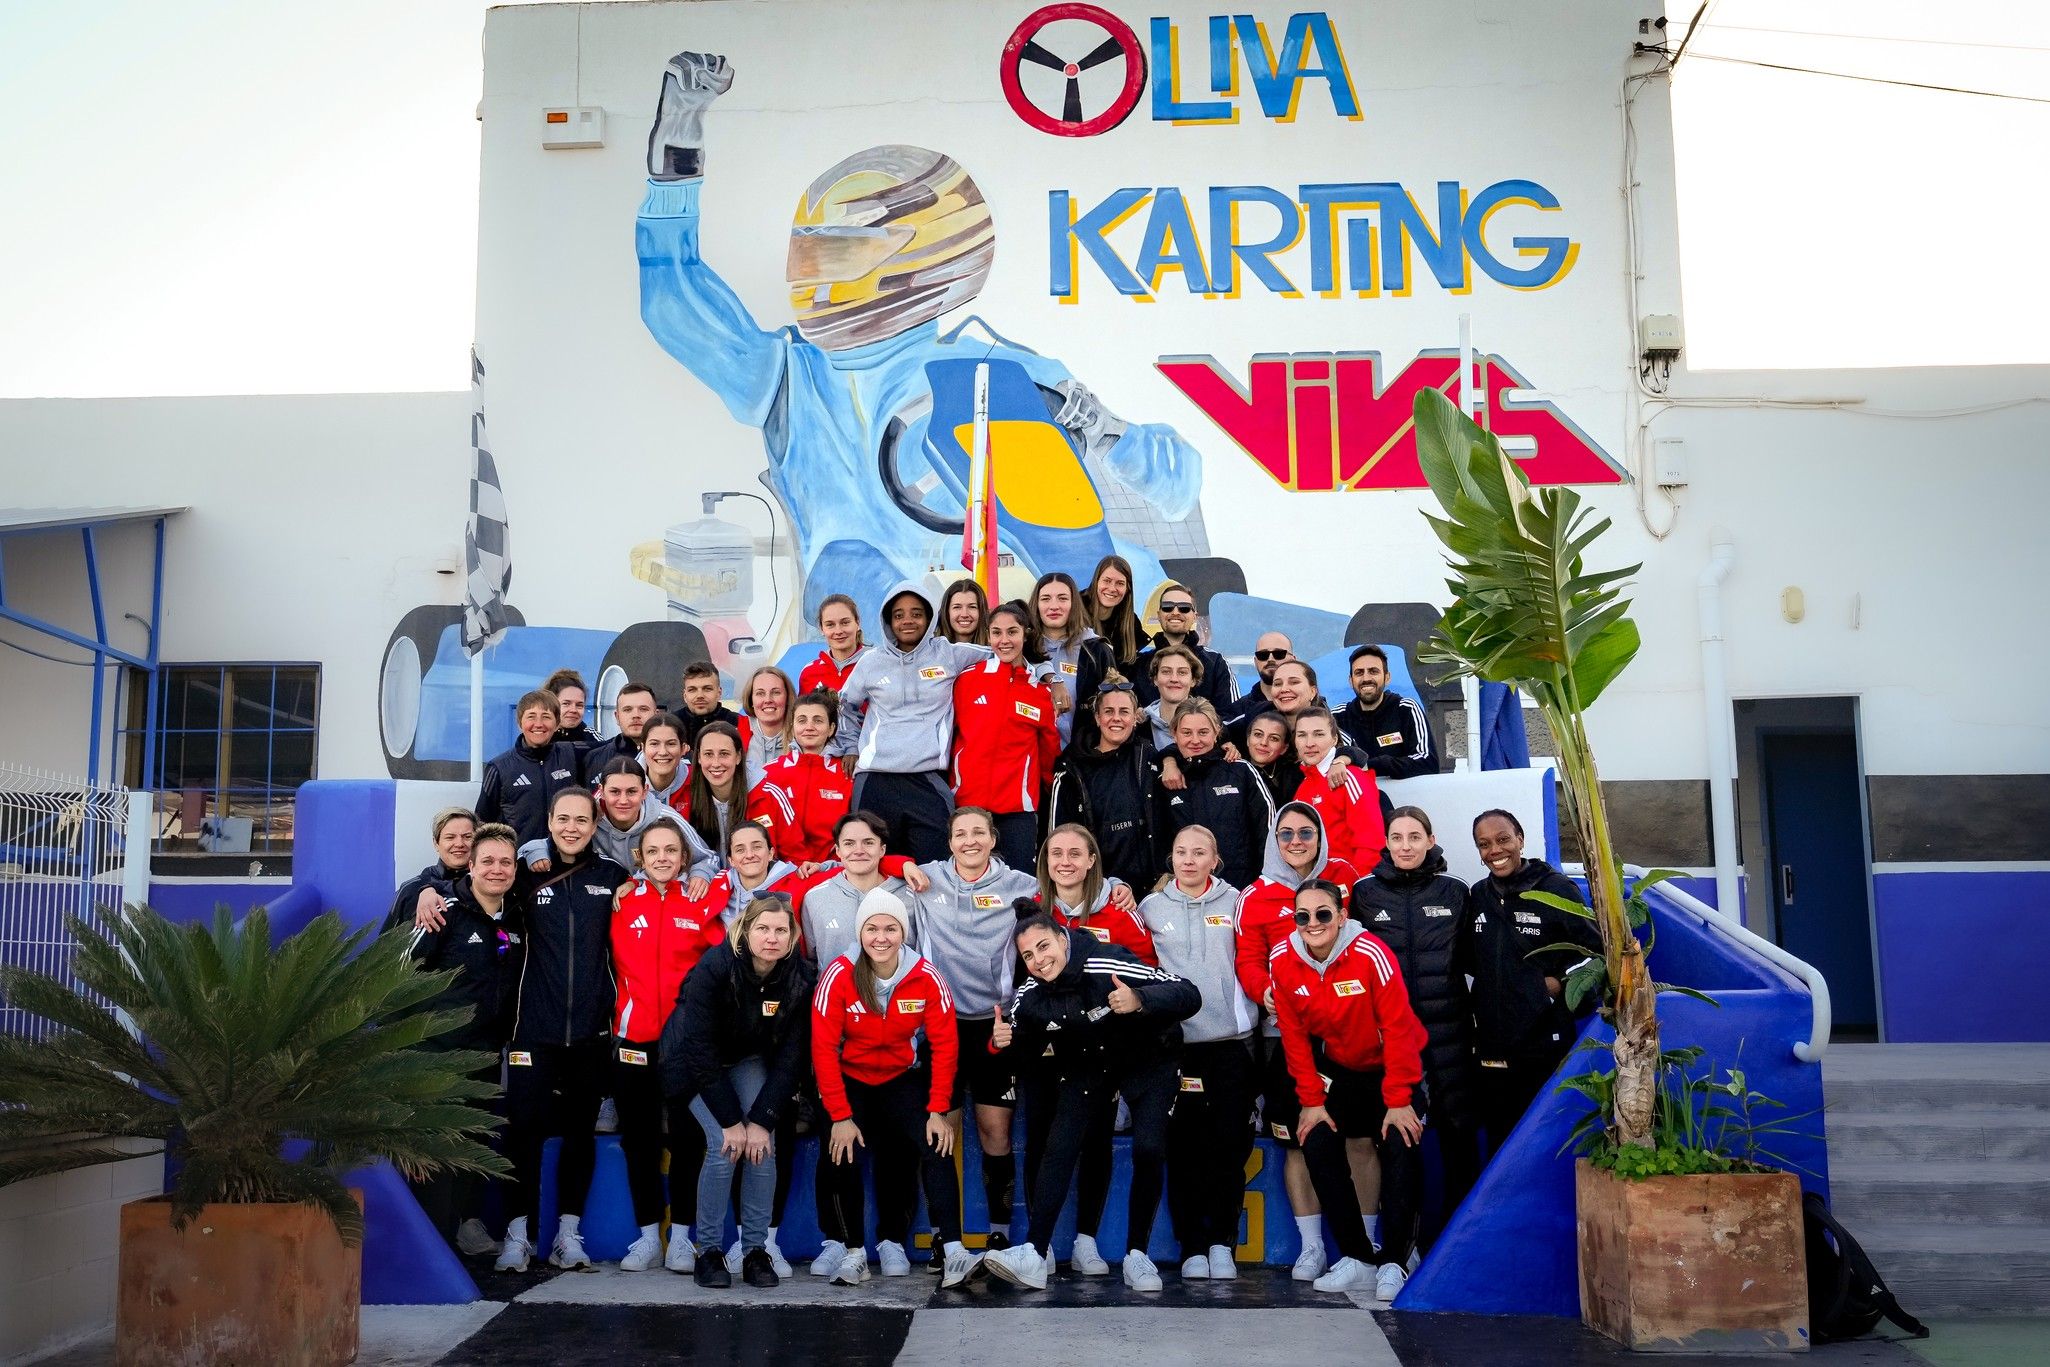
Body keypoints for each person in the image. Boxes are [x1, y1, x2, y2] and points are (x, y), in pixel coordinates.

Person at [982, 914, 1199, 1293]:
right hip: (1092, 1062)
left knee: (1149, 1147)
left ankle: (1137, 1255)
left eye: (1044, 946)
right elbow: (1017, 1039)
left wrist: (1139, 999)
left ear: (1063, 940)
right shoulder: (1030, 993)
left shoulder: (1106, 961)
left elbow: (1188, 993)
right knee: (1059, 1143)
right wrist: (1001, 1041)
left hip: (1152, 1060)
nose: (1039, 960)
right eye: (1028, 955)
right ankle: (1034, 1253)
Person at [481, 787, 634, 1273]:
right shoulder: (523, 878)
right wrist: (424, 888)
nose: (572, 827)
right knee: (522, 1133)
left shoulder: (614, 879)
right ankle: (517, 1235)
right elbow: (472, 883)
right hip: (533, 1032)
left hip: (591, 1035)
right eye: (562, 818)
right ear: (549, 821)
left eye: (582, 820)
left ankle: (569, 1235)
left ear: (596, 824)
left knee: (578, 1136)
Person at [1270, 878, 1427, 1299]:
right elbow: (1293, 1036)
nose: (1313, 923)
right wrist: (1311, 1102)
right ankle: (1357, 1257)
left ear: (1342, 916)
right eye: (1303, 916)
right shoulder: (1283, 958)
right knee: (1315, 1140)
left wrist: (1398, 1101)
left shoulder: (1369, 953)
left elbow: (1397, 1028)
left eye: (1323, 913)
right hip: (1340, 1069)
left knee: (1400, 1140)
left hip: (1393, 1065)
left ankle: (1394, 1260)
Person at [810, 888, 975, 1287]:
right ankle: (852, 1253)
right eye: (871, 929)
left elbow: (945, 1044)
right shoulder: (839, 974)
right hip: (851, 1079)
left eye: (890, 928)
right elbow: (824, 1048)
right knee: (841, 1148)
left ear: (903, 932)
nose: (880, 938)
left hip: (901, 1076)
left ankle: (953, 1251)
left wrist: (938, 1110)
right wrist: (840, 1116)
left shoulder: (925, 976)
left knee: (936, 1142)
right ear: (859, 932)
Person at [1233, 802, 1362, 1282]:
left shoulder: (1347, 877)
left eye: (1306, 832)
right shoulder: (1256, 895)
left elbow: (1366, 940)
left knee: (1354, 1137)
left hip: (1343, 1033)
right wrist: (1261, 990)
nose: (1295, 842)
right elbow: (1246, 956)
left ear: (1320, 834)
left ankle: (1364, 1243)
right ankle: (1312, 1248)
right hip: (1281, 1035)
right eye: (1285, 833)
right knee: (1296, 1140)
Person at [659, 893, 815, 1288]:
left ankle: (754, 1251)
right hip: (693, 1063)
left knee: (763, 1143)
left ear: (793, 935)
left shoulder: (798, 974)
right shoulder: (715, 965)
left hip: (746, 1058)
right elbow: (698, 1049)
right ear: (745, 931)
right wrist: (731, 1121)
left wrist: (761, 1120)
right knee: (723, 1145)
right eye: (763, 928)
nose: (772, 938)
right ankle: (709, 1252)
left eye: (781, 930)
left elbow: (792, 1057)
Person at [1022, 823, 1154, 1278]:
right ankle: (1037, 1248)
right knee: (1041, 1140)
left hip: (1099, 1049)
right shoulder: (1032, 908)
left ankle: (1086, 1240)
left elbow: (1145, 971)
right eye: (1056, 853)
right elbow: (1020, 973)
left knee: (1095, 1141)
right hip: (1044, 1047)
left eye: (1076, 853)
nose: (1065, 861)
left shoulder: (1118, 909)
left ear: (1093, 859)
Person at [904, 806, 1039, 1247]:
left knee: (994, 1132)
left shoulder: (1021, 886)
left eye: (978, 832)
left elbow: (1073, 891)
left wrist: (1117, 888)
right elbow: (872, 865)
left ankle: (998, 1235)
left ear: (993, 838)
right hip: (939, 1027)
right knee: (942, 1132)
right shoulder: (927, 879)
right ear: (949, 842)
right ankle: (948, 1240)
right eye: (960, 834)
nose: (970, 841)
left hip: (994, 1026)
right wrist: (898, 863)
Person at [830, 581, 1028, 863]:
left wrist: (1047, 674)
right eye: (898, 615)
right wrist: (850, 746)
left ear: (930, 617)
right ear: (888, 621)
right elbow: (844, 704)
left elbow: (1004, 651)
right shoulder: (871, 662)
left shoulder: (948, 653)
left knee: (936, 870)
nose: (907, 620)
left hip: (927, 780)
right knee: (875, 868)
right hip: (875, 779)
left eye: (916, 613)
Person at [1353, 806, 1481, 1240]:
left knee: (1458, 1140)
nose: (1405, 846)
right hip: (1391, 1043)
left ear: (1430, 840)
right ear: (1386, 843)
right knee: (1395, 1143)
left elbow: (1475, 960)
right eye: (1396, 837)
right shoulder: (1364, 893)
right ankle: (1398, 1246)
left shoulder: (1455, 891)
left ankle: (1455, 1241)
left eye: (1414, 837)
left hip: (1449, 1037)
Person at [608, 816, 726, 1274]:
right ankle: (646, 1238)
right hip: (632, 1038)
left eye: (671, 851)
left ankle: (681, 1239)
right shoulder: (620, 902)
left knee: (687, 1138)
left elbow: (716, 969)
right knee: (638, 1140)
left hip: (685, 1043)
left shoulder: (700, 901)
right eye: (653, 851)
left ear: (683, 858)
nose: (662, 858)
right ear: (639, 858)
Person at [1140, 825, 1257, 1281]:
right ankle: (1191, 1245)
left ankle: (1221, 1243)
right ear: (1171, 858)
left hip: (1229, 1045)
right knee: (1184, 1149)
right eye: (1181, 852)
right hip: (1177, 1049)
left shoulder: (1236, 903)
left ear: (1215, 860)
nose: (1189, 860)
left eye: (1199, 853)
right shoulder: (1150, 908)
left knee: (1228, 1149)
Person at [403, 820, 525, 1258]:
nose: (497, 869)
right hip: (435, 1058)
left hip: (487, 1058)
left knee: (474, 1146)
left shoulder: (517, 919)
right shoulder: (444, 912)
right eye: (487, 861)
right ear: (469, 866)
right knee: (436, 1155)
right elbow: (400, 973)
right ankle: (430, 1253)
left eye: (505, 862)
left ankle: (466, 1232)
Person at [1463, 809, 1600, 1148]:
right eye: (1484, 844)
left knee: (1543, 1137)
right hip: (1493, 1045)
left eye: (1503, 839)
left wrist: (1554, 986)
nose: (1495, 850)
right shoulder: (1479, 894)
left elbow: (1594, 955)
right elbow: (1472, 958)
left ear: (1520, 840)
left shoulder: (1555, 888)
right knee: (1500, 1138)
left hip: (1543, 1041)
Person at [951, 602, 1060, 871]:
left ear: (1026, 634)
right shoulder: (966, 680)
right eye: (997, 633)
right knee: (968, 880)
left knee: (1019, 884)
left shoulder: (1040, 693)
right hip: (968, 803)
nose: (1004, 640)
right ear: (988, 636)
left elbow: (1049, 751)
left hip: (1016, 808)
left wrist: (1043, 788)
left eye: (1012, 632)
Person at [1047, 676, 1161, 891]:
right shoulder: (1071, 769)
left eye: (1124, 712)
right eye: (1109, 712)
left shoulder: (1150, 758)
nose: (1116, 718)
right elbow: (1058, 836)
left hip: (1150, 888)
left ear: (1135, 718)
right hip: (1096, 890)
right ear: (1097, 718)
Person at [1154, 699, 1273, 890]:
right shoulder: (1166, 781)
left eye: (1203, 732)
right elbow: (1158, 841)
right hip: (1186, 893)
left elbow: (1267, 831)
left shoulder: (1241, 771)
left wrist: (1262, 885)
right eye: (1186, 732)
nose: (1195, 740)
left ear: (1217, 732)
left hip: (1241, 889)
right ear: (1174, 734)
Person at [792, 811, 908, 966]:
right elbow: (812, 958)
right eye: (849, 843)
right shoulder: (814, 897)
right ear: (838, 851)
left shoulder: (909, 895)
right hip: (836, 989)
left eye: (868, 842)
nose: (859, 850)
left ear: (882, 850)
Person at [748, 690, 850, 866]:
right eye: (802, 720)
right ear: (793, 727)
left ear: (831, 728)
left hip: (831, 870)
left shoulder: (847, 774)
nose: (809, 727)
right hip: (781, 871)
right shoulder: (767, 773)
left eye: (818, 720)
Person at [584, 757, 718, 884]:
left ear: (644, 791)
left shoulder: (666, 820)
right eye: (615, 792)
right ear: (601, 791)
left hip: (657, 899)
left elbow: (709, 858)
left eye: (631, 792)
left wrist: (701, 874)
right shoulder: (587, 819)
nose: (623, 800)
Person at [476, 690, 582, 846]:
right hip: (520, 862)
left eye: (546, 717)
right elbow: (481, 822)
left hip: (566, 860)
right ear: (519, 723)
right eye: (531, 717)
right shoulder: (499, 767)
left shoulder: (572, 753)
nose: (538, 724)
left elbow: (608, 749)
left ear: (557, 724)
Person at [1292, 706, 1387, 871]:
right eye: (1302, 735)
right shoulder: (1303, 786)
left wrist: (1357, 889)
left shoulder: (1348, 777)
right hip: (1316, 887)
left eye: (1319, 734)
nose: (1309, 743)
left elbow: (1371, 845)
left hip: (1348, 887)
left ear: (1334, 739)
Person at [1033, 571, 1115, 748]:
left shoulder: (1095, 650)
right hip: (1032, 761)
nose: (1054, 606)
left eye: (1062, 598)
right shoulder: (1022, 649)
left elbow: (1112, 707)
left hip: (1081, 760)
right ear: (1036, 605)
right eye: (1046, 599)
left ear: (1073, 604)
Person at [1337, 645, 1440, 779]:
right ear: (1351, 681)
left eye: (1373, 671)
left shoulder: (1406, 709)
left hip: (1404, 798)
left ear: (1387, 677)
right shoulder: (1336, 717)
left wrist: (1374, 765)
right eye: (1359, 672)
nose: (1366, 678)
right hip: (1353, 798)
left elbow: (1429, 762)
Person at [1133, 581, 1236, 711]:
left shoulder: (1216, 663)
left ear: (1194, 616)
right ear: (1159, 615)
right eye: (1167, 607)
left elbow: (1230, 719)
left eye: (1184, 608)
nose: (1175, 612)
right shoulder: (1137, 665)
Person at [382, 807, 475, 935]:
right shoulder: (410, 890)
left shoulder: (493, 886)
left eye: (467, 836)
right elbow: (385, 947)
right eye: (450, 837)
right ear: (436, 843)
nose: (459, 843)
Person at [675, 720, 749, 856]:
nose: (716, 763)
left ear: (738, 756)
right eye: (708, 754)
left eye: (724, 754)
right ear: (698, 757)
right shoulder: (687, 797)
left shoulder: (762, 795)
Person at [580, 681, 660, 781]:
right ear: (617, 717)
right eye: (627, 710)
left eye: (643, 709)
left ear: (656, 715)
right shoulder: (593, 759)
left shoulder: (673, 755)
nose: (636, 715)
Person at [1222, 631, 1294, 737]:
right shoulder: (1236, 713)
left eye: (1279, 654)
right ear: (1255, 662)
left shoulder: (1313, 707)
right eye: (1263, 655)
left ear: (1293, 660)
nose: (1270, 659)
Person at [739, 665, 798, 787]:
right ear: (751, 700)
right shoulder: (737, 734)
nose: (768, 699)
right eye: (760, 693)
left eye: (776, 692)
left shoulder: (802, 736)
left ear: (787, 698)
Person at [799, 593, 868, 696]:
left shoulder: (876, 665)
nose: (838, 631)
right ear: (822, 629)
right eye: (830, 625)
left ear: (858, 623)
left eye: (845, 623)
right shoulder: (809, 673)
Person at [1081, 554, 1142, 668]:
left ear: (1128, 588)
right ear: (1096, 581)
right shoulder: (1074, 611)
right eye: (1107, 581)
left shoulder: (1132, 624)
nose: (1112, 589)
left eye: (1120, 583)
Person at [1141, 644, 1204, 751]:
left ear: (1193, 680)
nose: (1174, 679)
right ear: (1155, 678)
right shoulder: (1139, 726)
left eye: (1182, 672)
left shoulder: (1210, 726)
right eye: (1166, 671)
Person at [676, 660, 744, 747]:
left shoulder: (738, 723)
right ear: (685, 696)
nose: (700, 695)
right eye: (692, 690)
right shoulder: (671, 725)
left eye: (707, 689)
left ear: (719, 693)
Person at [1241, 712, 1300, 805]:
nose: (1264, 742)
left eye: (1274, 738)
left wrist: (1333, 763)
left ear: (1284, 748)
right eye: (1258, 734)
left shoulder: (1294, 778)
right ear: (1248, 739)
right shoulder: (1230, 770)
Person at [638, 711, 692, 808]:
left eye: (671, 744)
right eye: (654, 744)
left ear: (683, 748)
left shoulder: (698, 781)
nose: (663, 752)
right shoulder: (623, 783)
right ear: (643, 748)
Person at [544, 668, 599, 750]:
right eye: (566, 704)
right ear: (551, 704)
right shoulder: (538, 735)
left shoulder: (592, 738)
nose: (573, 710)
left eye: (579, 705)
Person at [939, 578, 990, 646]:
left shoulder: (995, 653)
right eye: (957, 607)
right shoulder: (931, 652)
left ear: (981, 611)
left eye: (972, 607)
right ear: (946, 612)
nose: (964, 614)